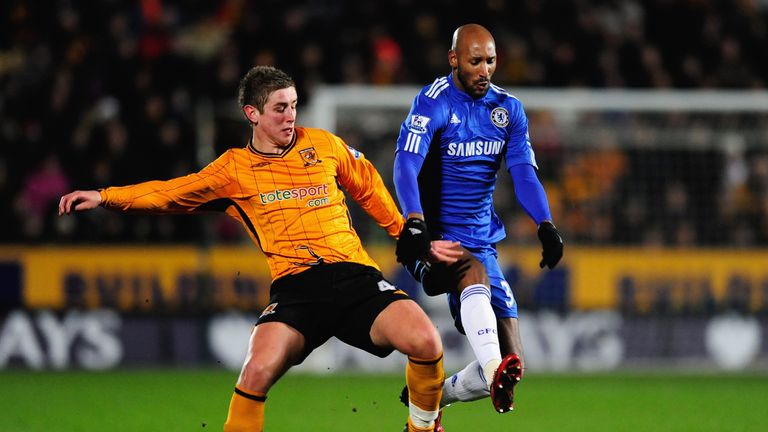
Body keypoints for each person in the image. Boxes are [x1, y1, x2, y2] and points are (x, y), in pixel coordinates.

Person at [59, 65, 463, 432]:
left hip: (354, 276)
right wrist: (105, 196)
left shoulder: (324, 145)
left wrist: (406, 236)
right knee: (255, 372)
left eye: (293, 106)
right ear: (253, 114)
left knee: (426, 341)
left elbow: (368, 185)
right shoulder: (232, 170)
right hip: (296, 289)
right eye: (279, 109)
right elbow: (170, 193)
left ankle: (421, 429)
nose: (290, 116)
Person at [393, 23, 564, 422]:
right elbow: (406, 162)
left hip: (481, 242)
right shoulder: (433, 102)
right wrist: (415, 220)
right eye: (475, 61)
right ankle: (489, 371)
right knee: (470, 272)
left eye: (490, 61)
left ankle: (436, 395)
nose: (484, 69)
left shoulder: (508, 111)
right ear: (454, 60)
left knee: (513, 362)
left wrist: (545, 223)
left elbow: (523, 172)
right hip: (433, 241)